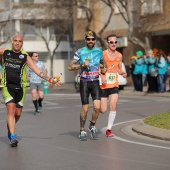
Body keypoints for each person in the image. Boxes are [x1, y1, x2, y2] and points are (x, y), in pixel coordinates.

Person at [0, 34, 60, 147]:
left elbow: (37, 70)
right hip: (7, 86)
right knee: (11, 109)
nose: (17, 43)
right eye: (15, 41)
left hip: (21, 87)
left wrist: (50, 79)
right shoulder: (5, 52)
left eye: (20, 41)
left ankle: (10, 125)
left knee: (17, 113)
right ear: (12, 42)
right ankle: (13, 137)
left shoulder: (25, 56)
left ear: (22, 43)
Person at [68, 30, 103, 141]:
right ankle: (82, 130)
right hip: (84, 82)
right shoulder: (80, 52)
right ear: (85, 40)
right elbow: (70, 66)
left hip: (95, 81)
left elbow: (102, 63)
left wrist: (104, 68)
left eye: (92, 39)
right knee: (85, 108)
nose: (90, 41)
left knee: (97, 107)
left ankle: (92, 125)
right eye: (88, 39)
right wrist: (82, 65)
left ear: (95, 40)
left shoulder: (99, 51)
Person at [99, 34, 127, 137]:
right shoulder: (102, 55)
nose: (114, 44)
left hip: (114, 84)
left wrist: (123, 73)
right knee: (103, 110)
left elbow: (119, 69)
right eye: (111, 42)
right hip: (103, 85)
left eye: (115, 42)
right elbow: (98, 68)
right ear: (107, 43)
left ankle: (109, 129)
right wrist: (101, 76)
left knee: (113, 105)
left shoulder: (119, 55)